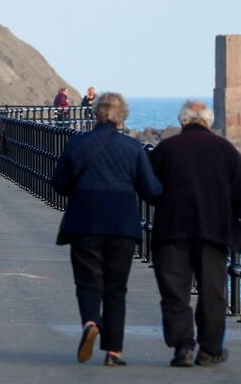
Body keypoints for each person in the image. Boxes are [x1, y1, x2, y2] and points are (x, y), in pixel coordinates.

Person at [52, 92, 162, 366]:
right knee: (116, 287)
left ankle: (91, 321)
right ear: (122, 115)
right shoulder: (132, 148)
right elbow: (151, 191)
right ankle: (113, 351)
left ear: (95, 114)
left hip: (84, 221)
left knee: (88, 281)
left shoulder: (77, 144)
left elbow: (60, 184)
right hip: (121, 225)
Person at [149, 100, 241, 368]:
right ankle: (210, 350)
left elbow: (149, 187)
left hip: (172, 230)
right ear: (208, 121)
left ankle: (183, 348)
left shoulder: (166, 149)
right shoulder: (226, 150)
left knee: (175, 292)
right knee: (212, 293)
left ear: (183, 121)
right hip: (215, 231)